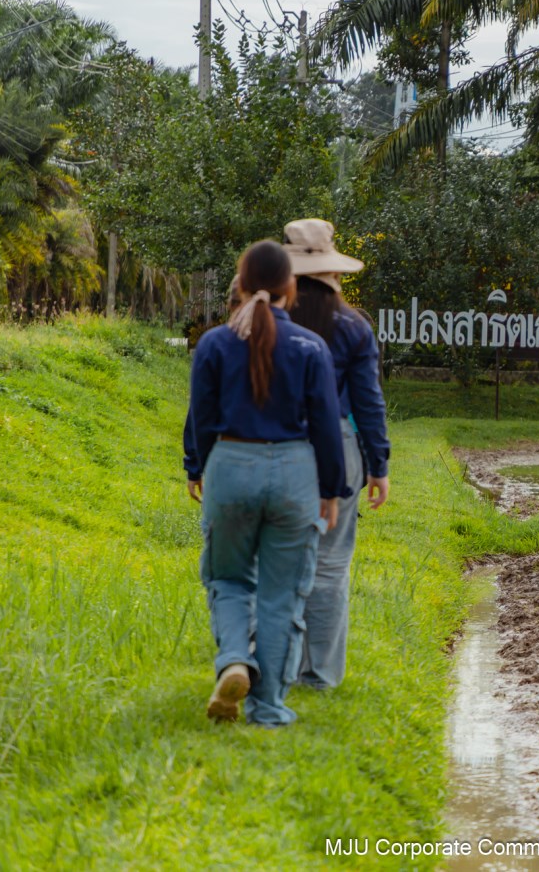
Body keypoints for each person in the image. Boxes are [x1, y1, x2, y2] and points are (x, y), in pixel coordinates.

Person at [185, 240, 346, 726]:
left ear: (241, 281)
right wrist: (330, 490)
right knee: (282, 595)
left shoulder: (214, 343)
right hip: (295, 475)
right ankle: (268, 707)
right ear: (289, 287)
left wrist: (196, 467)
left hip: (230, 466)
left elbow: (201, 417)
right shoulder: (310, 347)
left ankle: (235, 658)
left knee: (229, 579)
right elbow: (325, 424)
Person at [283, 218, 390, 691]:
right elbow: (368, 401)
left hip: (275, 445)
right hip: (340, 448)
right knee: (329, 565)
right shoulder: (351, 326)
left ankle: (271, 668)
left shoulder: (266, 319)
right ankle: (319, 676)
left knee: (278, 560)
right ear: (334, 271)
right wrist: (378, 464)